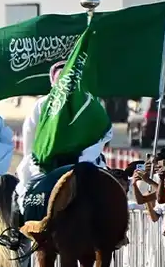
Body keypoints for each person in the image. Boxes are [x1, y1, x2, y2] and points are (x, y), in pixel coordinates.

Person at [13, 60, 112, 205]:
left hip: (86, 162)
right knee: (24, 192)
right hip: (46, 163)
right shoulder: (42, 105)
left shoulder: (90, 103)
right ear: (53, 82)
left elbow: (104, 132)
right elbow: (30, 134)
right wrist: (37, 158)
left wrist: (84, 159)